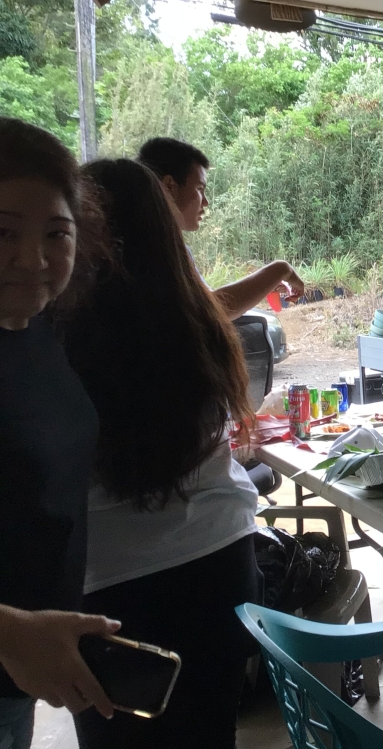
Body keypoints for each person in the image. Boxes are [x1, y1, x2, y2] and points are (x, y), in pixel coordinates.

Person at [63, 159, 261, 749]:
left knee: (115, 738)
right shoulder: (196, 321)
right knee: (209, 728)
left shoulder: (56, 331)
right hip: (219, 559)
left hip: (110, 583)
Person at [0, 119, 118, 747]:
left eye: (56, 234)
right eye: (4, 233)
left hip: (13, 683)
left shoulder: (36, 332)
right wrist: (9, 629)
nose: (32, 259)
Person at [137, 137, 304, 319]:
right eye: (200, 189)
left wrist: (266, 283)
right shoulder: (152, 251)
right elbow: (215, 309)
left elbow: (208, 300)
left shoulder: (156, 244)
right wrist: (281, 269)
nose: (206, 202)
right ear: (170, 186)